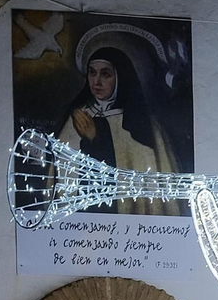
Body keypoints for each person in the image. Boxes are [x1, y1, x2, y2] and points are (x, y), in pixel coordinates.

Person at [56, 46, 183, 214]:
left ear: (120, 77)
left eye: (105, 74)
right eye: (92, 73)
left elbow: (152, 185)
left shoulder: (143, 124)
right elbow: (62, 179)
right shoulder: (78, 118)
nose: (97, 82)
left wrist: (97, 139)